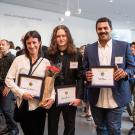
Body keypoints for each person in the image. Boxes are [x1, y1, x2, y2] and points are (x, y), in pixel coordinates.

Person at [83, 17, 135, 135]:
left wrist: (125, 72)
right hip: (96, 96)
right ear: (96, 30)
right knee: (100, 128)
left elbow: (132, 67)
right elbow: (84, 69)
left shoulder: (124, 46)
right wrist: (86, 74)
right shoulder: (89, 49)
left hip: (117, 95)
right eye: (99, 28)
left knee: (114, 128)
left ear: (110, 29)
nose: (103, 31)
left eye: (105, 28)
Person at [5, 30, 55, 135]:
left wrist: (52, 98)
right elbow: (8, 79)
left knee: (39, 132)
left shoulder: (46, 62)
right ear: (25, 44)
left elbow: (50, 84)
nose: (32, 46)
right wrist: (21, 93)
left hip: (39, 106)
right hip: (23, 105)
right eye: (28, 43)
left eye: (34, 42)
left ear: (39, 43)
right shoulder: (18, 60)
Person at [47, 25, 83, 135]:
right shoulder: (49, 54)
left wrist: (78, 97)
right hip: (53, 95)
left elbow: (80, 77)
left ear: (68, 37)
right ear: (54, 38)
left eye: (63, 35)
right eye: (58, 36)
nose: (61, 38)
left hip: (70, 96)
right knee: (52, 125)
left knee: (70, 125)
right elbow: (46, 77)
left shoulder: (76, 54)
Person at [0, 39, 19, 135]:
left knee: (7, 109)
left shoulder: (12, 58)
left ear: (8, 46)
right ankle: (8, 127)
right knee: (2, 109)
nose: (1, 46)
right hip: (1, 86)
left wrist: (8, 86)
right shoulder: (1, 57)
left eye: (3, 44)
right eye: (0, 45)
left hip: (8, 87)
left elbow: (17, 74)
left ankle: (15, 128)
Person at [79, 45, 93, 121]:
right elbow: (83, 70)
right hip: (85, 82)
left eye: (83, 51)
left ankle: (90, 114)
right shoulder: (80, 59)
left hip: (91, 82)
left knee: (90, 98)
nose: (82, 53)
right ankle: (86, 111)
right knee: (85, 98)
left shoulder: (90, 58)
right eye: (81, 52)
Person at [128, 42, 135, 135]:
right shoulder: (128, 56)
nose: (133, 48)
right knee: (128, 101)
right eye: (132, 47)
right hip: (128, 81)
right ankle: (131, 116)